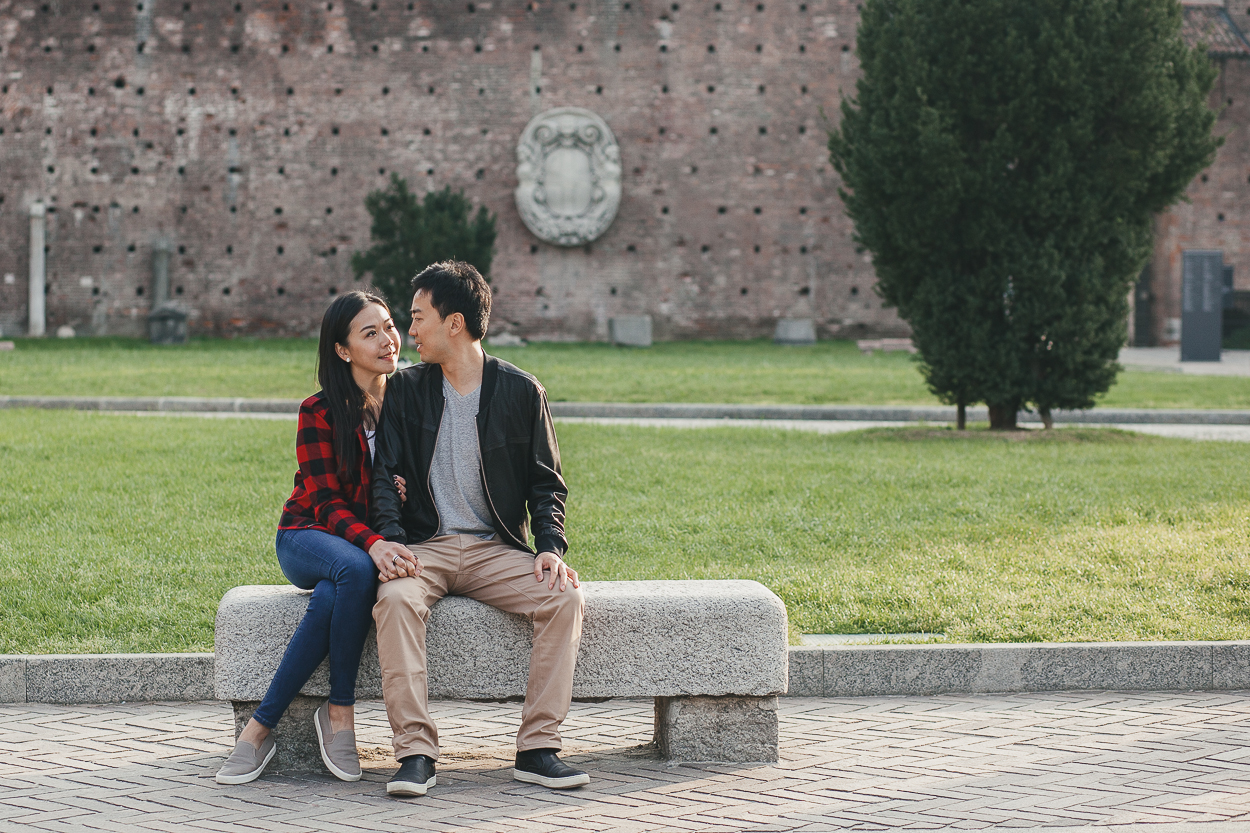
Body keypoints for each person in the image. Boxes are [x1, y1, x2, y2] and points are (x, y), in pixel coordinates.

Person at [368, 261, 587, 799]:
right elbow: (385, 475)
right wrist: (391, 540)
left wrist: (551, 548)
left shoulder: (520, 392)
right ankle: (416, 754)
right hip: (427, 548)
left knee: (564, 598)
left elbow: (546, 483)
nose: (408, 332)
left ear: (455, 323)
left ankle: (538, 749)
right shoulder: (406, 391)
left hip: (495, 549)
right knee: (395, 600)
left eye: (418, 318)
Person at [215, 291, 416, 786]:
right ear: (343, 350)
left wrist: (401, 495)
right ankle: (341, 711)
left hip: (359, 549)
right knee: (354, 569)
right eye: (370, 333)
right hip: (306, 535)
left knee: (335, 592)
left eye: (389, 326)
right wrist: (373, 543)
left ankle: (261, 727)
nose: (388, 340)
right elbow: (326, 503)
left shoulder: (406, 403)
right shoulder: (318, 411)